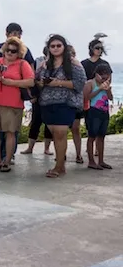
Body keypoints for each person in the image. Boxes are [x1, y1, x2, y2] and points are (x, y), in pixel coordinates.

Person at [36, 34, 87, 178]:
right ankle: (60, 164)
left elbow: (80, 83)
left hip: (65, 103)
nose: (56, 48)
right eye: (52, 46)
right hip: (47, 103)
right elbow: (37, 80)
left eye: (59, 45)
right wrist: (42, 81)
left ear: (64, 47)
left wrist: (58, 83)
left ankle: (59, 167)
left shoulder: (73, 63)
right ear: (49, 48)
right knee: (55, 135)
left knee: (60, 133)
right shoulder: (45, 64)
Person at [0, 36, 35, 172]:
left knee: (10, 132)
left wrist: (10, 82)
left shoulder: (22, 64)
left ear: (19, 53)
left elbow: (30, 81)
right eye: (8, 50)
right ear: (4, 50)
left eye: (14, 51)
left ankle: (7, 161)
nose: (10, 53)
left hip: (12, 104)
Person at [21, 45, 53, 155]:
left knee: (49, 123)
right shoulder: (38, 61)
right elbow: (32, 78)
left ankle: (47, 148)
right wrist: (32, 95)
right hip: (39, 95)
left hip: (52, 96)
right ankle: (30, 148)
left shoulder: (59, 62)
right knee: (35, 122)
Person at [84, 61, 113, 170]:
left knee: (101, 137)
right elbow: (87, 97)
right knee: (92, 136)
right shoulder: (90, 83)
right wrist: (100, 88)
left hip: (104, 112)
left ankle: (101, 161)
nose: (104, 77)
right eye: (102, 74)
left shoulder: (107, 84)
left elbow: (110, 98)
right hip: (93, 112)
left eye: (107, 75)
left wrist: (108, 90)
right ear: (96, 74)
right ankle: (91, 161)